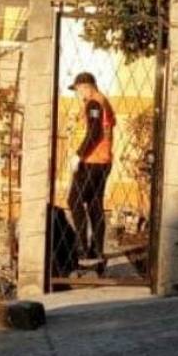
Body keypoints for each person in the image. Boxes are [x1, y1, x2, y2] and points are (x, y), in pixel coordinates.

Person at [67, 72, 116, 263]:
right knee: (95, 204)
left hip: (91, 161)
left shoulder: (94, 103)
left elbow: (95, 131)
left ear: (87, 86)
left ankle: (82, 248)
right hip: (104, 161)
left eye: (78, 89)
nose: (78, 94)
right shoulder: (103, 102)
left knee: (75, 201)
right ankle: (97, 250)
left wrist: (78, 155)